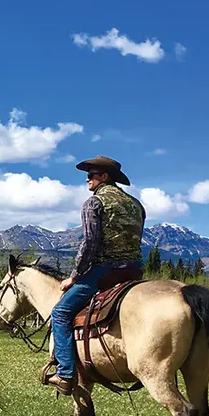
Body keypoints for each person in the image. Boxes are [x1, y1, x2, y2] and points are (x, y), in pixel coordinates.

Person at [44, 156, 146, 395]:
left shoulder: (94, 203)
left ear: (105, 177)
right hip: (134, 270)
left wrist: (74, 275)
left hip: (105, 270)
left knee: (60, 313)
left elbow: (90, 243)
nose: (87, 179)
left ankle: (66, 374)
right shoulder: (136, 204)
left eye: (91, 175)